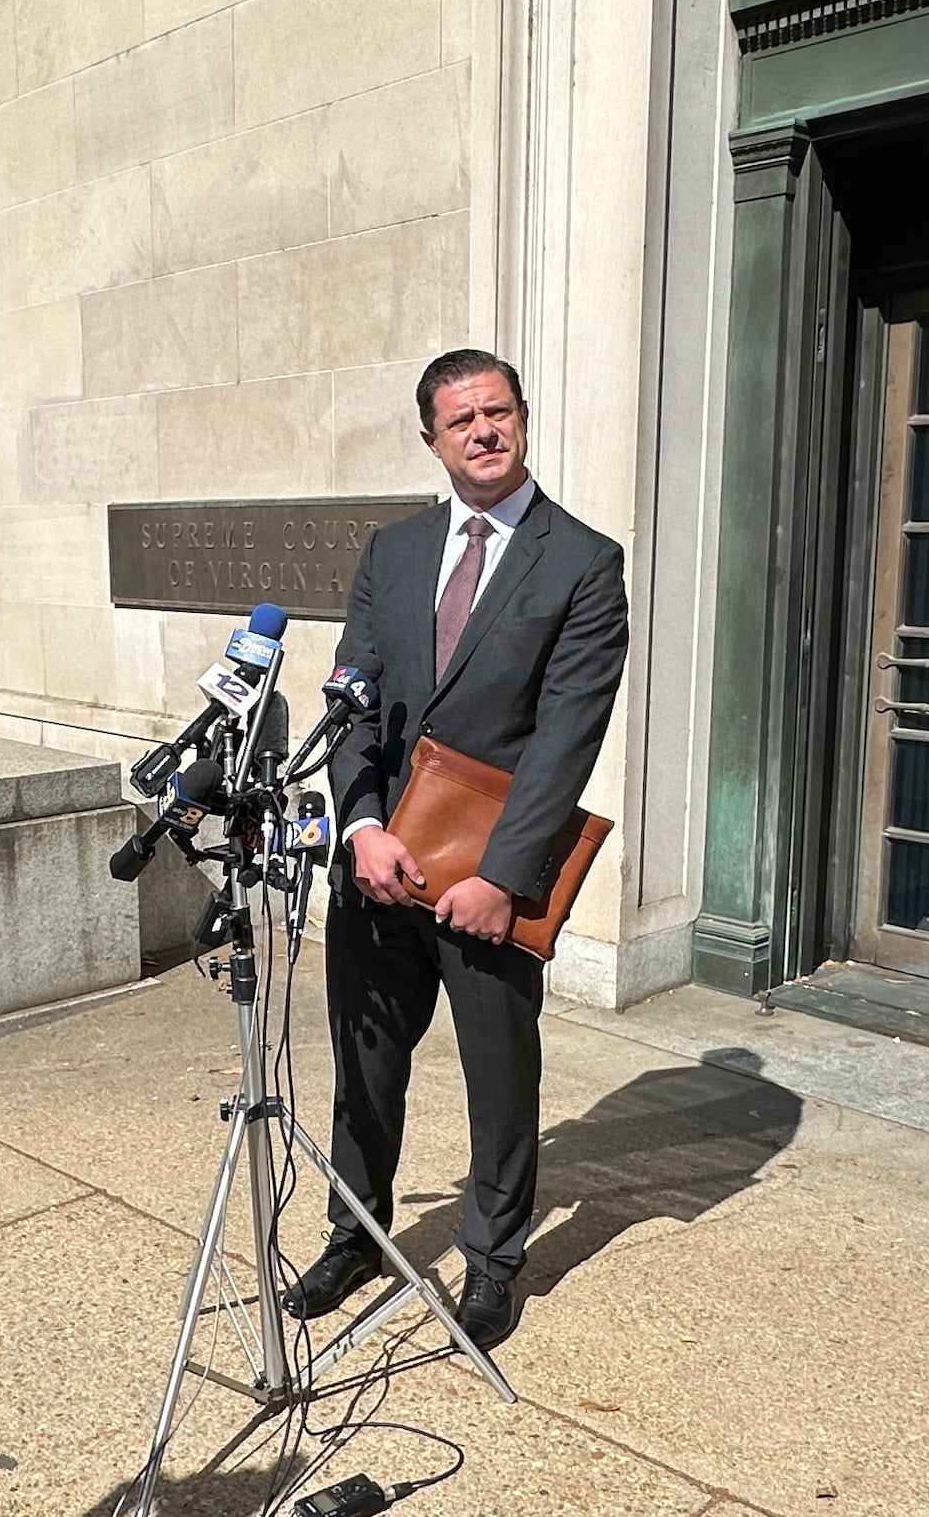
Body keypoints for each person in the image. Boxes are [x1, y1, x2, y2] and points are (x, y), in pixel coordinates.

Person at [288, 349, 630, 1353]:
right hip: (378, 864)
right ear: (430, 438)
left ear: (523, 419)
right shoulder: (391, 552)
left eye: (499, 412)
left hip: (488, 876)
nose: (484, 431)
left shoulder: (581, 561)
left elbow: (569, 734)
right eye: (462, 419)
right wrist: (359, 825)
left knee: (499, 1075)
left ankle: (493, 1262)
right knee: (365, 1065)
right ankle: (355, 1234)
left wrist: (503, 877)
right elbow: (350, 700)